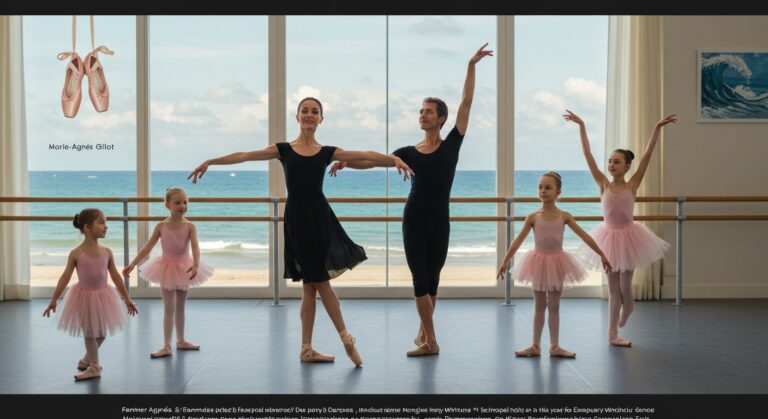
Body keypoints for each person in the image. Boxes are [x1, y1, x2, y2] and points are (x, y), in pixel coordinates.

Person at [188, 97, 413, 366]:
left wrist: (394, 159)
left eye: (314, 111)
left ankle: (306, 348)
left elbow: (364, 154)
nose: (309, 115)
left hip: (320, 218)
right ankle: (346, 338)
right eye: (304, 111)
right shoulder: (283, 149)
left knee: (310, 287)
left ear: (321, 119)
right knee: (320, 282)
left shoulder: (327, 151)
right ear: (297, 117)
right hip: (297, 220)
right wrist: (210, 161)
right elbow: (245, 155)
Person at [329, 43, 493, 357]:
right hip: (414, 219)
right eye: (420, 111)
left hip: (440, 221)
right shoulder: (408, 152)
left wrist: (471, 65)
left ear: (441, 118)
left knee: (433, 279)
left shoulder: (451, 145)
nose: (422, 115)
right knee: (420, 277)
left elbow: (467, 102)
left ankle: (423, 333)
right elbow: (376, 161)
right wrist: (347, 163)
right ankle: (431, 341)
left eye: (428, 111)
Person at [563, 110, 677, 347]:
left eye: (616, 162)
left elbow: (647, 154)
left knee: (626, 287)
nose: (611, 165)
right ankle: (612, 334)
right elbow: (587, 154)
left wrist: (657, 127)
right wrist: (582, 125)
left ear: (626, 167)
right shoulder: (602, 183)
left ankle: (630, 307)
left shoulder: (633, 184)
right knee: (613, 289)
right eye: (610, 162)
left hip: (629, 237)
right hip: (606, 239)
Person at [497, 172, 612, 358]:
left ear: (558, 192)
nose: (543, 191)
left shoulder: (564, 216)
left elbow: (584, 236)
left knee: (555, 306)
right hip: (538, 263)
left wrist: (602, 255)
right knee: (539, 306)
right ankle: (535, 345)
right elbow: (518, 241)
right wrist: (505, 261)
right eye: (540, 187)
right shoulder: (532, 217)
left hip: (557, 262)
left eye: (548, 187)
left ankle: (554, 346)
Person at [43, 208, 138, 381]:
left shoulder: (107, 252)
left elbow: (116, 277)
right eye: (101, 222)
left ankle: (87, 359)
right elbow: (65, 277)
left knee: (101, 333)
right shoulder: (76, 253)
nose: (106, 226)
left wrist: (127, 299)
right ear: (87, 228)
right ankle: (94, 367)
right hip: (84, 297)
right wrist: (54, 300)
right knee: (89, 332)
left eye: (106, 222)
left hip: (103, 296)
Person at [123, 187, 214, 358]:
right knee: (168, 308)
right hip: (166, 268)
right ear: (167, 205)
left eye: (185, 202)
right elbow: (147, 248)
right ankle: (166, 345)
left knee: (181, 307)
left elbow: (195, 247)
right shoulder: (161, 226)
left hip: (185, 267)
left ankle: (181, 340)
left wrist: (195, 265)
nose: (182, 206)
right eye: (178, 203)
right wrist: (133, 264)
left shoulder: (190, 226)